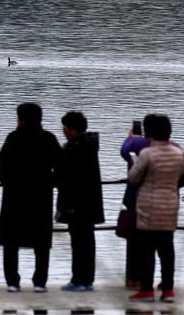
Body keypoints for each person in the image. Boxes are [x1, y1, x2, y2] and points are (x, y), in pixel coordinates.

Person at [0, 103, 62, 293]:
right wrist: (51, 182)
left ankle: (12, 281)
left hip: (14, 196)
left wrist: (7, 183)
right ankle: (40, 282)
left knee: (11, 242)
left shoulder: (13, 138)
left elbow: (0, 164)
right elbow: (61, 165)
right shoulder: (48, 138)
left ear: (20, 118)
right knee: (41, 242)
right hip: (41, 196)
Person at [127, 114, 184, 303]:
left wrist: (132, 163)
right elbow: (183, 176)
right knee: (167, 250)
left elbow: (134, 178)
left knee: (146, 250)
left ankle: (146, 290)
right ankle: (168, 290)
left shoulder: (147, 154)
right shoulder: (178, 153)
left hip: (148, 209)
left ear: (148, 132)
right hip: (170, 207)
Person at [55, 111, 104, 292]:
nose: (64, 132)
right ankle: (87, 279)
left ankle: (78, 279)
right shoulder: (90, 145)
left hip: (75, 204)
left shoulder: (73, 148)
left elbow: (62, 174)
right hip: (90, 202)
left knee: (78, 243)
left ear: (72, 129)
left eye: (65, 129)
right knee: (87, 241)